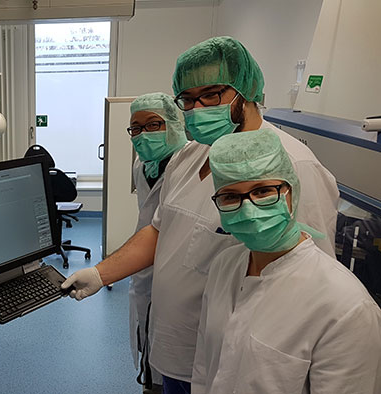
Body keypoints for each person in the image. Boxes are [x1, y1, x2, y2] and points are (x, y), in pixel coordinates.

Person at [62, 36, 339, 394]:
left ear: (245, 91)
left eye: (211, 94)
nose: (197, 108)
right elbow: (160, 230)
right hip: (178, 347)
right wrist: (101, 273)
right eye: (188, 99)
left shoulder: (293, 166)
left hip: (237, 361)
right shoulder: (189, 155)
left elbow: (313, 274)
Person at [192, 128, 381, 394]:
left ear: (292, 191)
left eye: (263, 191)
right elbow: (204, 369)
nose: (248, 209)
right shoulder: (225, 265)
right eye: (231, 196)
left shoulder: (345, 306)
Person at [126, 92, 187, 393]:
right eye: (135, 129)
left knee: (174, 363)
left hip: (179, 279)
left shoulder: (191, 168)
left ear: (175, 123)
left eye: (152, 125)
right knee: (148, 340)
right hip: (147, 269)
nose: (142, 135)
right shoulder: (142, 165)